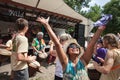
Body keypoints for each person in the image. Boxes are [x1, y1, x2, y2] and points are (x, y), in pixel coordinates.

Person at [36, 17, 106, 80]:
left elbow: (91, 44)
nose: (75, 47)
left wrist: (100, 29)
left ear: (79, 50)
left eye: (76, 46)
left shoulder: (83, 61)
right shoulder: (66, 63)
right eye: (71, 46)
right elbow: (57, 44)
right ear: (67, 51)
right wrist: (46, 25)